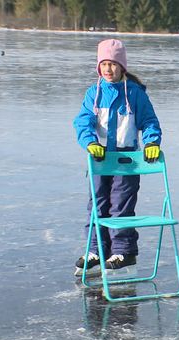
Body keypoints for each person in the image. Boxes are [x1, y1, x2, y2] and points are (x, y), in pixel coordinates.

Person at [73, 38, 162, 277]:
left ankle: (123, 250)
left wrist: (152, 142)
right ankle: (96, 249)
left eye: (113, 64)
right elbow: (83, 122)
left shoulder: (135, 94)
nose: (108, 69)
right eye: (104, 64)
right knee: (97, 205)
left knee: (121, 206)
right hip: (100, 160)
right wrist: (90, 142)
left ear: (122, 66)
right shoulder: (94, 93)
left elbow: (149, 122)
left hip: (127, 162)